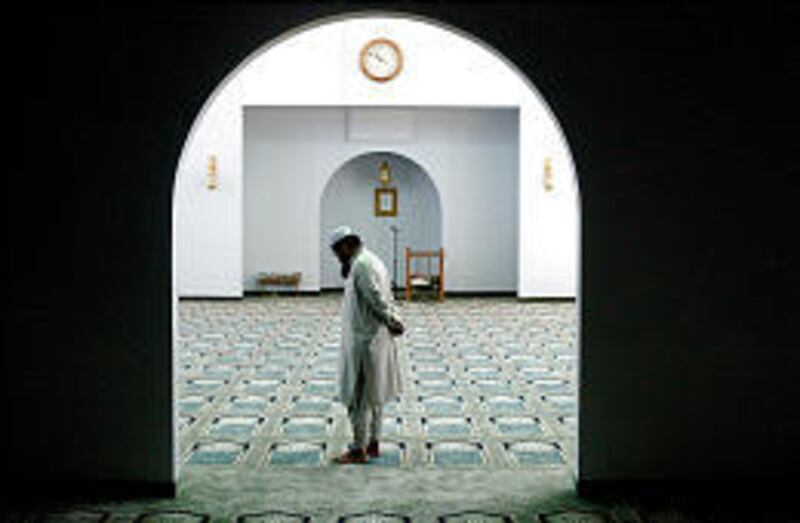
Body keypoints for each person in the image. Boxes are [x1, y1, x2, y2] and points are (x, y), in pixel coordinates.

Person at [328, 225, 405, 464]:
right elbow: (387, 296)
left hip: (364, 339)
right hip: (375, 337)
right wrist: (393, 319)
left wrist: (393, 320)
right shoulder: (373, 260)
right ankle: (373, 443)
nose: (337, 256)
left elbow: (376, 299)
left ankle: (358, 450)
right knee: (374, 394)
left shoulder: (361, 265)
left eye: (337, 251)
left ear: (346, 245)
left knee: (358, 397)